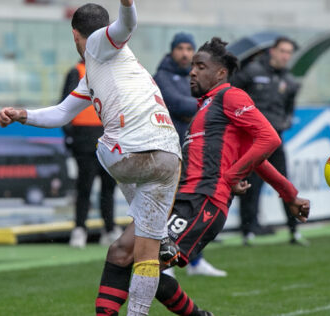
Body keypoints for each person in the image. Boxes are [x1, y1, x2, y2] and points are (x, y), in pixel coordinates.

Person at [97, 37, 310, 316]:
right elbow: (257, 158)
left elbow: (269, 139)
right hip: (176, 197)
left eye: (200, 66)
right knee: (120, 252)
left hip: (203, 201)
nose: (192, 72)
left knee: (141, 261)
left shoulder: (230, 96)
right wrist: (290, 195)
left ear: (220, 73)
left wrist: (235, 176)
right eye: (192, 66)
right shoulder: (206, 106)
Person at [0, 1, 181, 315]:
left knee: (101, 146)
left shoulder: (96, 44)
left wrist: (127, 4)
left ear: (75, 36)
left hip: (129, 153)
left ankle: (159, 233)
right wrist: (22, 114)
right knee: (147, 254)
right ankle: (143, 298)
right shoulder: (105, 69)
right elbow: (61, 112)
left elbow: (126, 25)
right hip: (169, 156)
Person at [154, 32, 226, 278]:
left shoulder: (194, 76)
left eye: (189, 49)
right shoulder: (161, 76)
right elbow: (176, 104)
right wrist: (201, 107)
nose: (185, 53)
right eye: (180, 48)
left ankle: (195, 260)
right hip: (169, 148)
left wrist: (197, 108)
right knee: (169, 206)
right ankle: (166, 261)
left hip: (194, 150)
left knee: (191, 207)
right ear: (172, 50)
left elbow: (198, 104)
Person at [231, 36, 303, 244]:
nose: (285, 56)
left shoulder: (289, 81)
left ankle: (294, 230)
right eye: (282, 51)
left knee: (285, 184)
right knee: (251, 186)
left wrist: (284, 123)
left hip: (276, 140)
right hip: (252, 140)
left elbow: (290, 109)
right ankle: (248, 232)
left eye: (289, 52)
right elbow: (232, 94)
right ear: (273, 50)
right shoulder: (252, 72)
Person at [60, 60, 119, 248]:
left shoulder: (111, 72)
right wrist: (71, 135)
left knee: (108, 187)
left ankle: (109, 229)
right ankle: (79, 229)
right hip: (84, 139)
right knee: (84, 186)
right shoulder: (76, 71)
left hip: (108, 137)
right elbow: (64, 105)